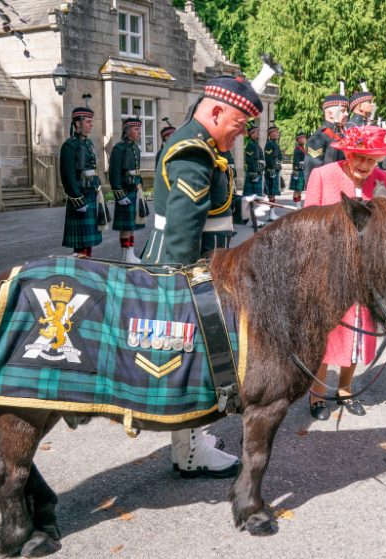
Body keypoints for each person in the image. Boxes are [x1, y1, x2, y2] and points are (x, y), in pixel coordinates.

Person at [140, 75, 269, 478]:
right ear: (215, 112)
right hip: (187, 269)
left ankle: (192, 441)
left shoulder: (204, 146)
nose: (241, 133)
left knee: (196, 357)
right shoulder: (195, 153)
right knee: (198, 359)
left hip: (200, 266)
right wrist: (193, 288)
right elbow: (183, 234)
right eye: (238, 124)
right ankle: (191, 451)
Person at [303, 125, 386, 419]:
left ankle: (345, 390)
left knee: (357, 334)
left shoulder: (382, 179)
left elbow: (385, 225)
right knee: (327, 334)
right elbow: (307, 227)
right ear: (348, 153)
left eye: (371, 160)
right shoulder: (322, 175)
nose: (365, 165)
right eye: (359, 158)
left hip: (364, 273)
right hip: (328, 269)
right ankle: (317, 395)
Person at [60, 106, 103, 257]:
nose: (91, 124)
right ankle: (80, 266)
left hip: (91, 193)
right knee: (81, 239)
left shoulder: (88, 143)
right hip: (80, 195)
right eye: (88, 121)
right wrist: (77, 199)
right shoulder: (69, 145)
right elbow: (68, 175)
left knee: (88, 239)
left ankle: (87, 263)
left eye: (91, 121)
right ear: (77, 123)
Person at [109, 117, 145, 263]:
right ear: (127, 130)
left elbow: (137, 171)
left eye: (139, 129)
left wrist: (140, 186)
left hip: (134, 189)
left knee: (131, 225)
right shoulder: (119, 149)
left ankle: (129, 253)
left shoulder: (135, 148)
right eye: (136, 129)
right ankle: (126, 253)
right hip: (124, 191)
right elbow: (114, 173)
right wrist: (119, 194)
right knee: (126, 226)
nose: (139, 132)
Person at [303, 93, 349, 187]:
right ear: (330, 114)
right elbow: (313, 171)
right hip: (328, 189)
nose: (347, 114)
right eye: (343, 111)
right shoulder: (320, 136)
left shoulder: (343, 134)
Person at [263, 123, 283, 220]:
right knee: (271, 193)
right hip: (271, 171)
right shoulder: (269, 144)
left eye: (277, 132)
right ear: (270, 134)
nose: (277, 134)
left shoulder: (275, 144)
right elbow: (268, 158)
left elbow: (279, 157)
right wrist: (271, 169)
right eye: (275, 132)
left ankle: (272, 213)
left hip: (275, 170)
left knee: (273, 193)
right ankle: (271, 214)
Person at [290, 130, 307, 208]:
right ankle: (297, 205)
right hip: (298, 171)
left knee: (300, 189)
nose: (304, 139)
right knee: (297, 189)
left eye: (304, 137)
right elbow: (295, 161)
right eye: (302, 138)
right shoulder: (297, 149)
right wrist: (295, 171)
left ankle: (298, 205)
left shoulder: (303, 148)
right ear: (298, 139)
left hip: (302, 171)